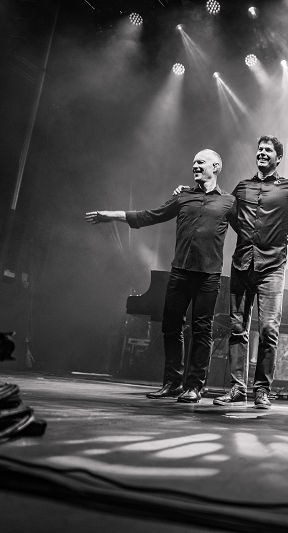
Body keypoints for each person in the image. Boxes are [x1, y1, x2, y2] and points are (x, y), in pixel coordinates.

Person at [85, 149, 236, 403]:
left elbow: (249, 230)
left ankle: (195, 386)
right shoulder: (183, 197)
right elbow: (149, 216)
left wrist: (281, 235)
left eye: (200, 162)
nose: (195, 166)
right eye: (193, 163)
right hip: (180, 272)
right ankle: (172, 382)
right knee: (170, 327)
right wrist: (110, 216)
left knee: (202, 330)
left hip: (208, 276)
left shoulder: (229, 202)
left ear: (216, 166)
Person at [176, 136, 288, 409]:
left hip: (272, 266)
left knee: (269, 329)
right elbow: (221, 206)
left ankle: (261, 391)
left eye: (267, 150)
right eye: (259, 149)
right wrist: (187, 191)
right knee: (237, 328)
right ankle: (237, 388)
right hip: (242, 264)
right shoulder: (242, 187)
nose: (261, 153)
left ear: (278, 157)